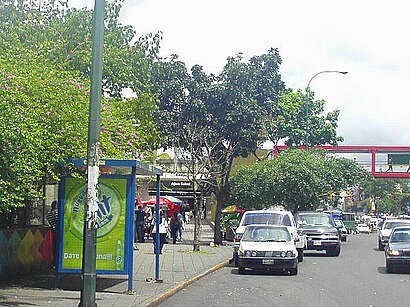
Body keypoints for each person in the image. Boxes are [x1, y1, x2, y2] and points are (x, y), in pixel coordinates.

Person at [46, 200, 58, 267]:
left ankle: (54, 263)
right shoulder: (57, 213)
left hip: (53, 230)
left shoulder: (49, 214)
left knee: (55, 247)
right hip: (58, 230)